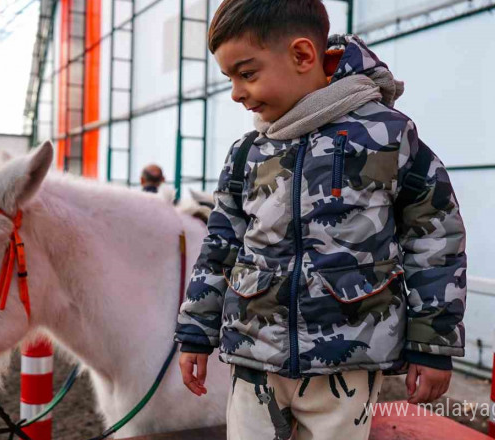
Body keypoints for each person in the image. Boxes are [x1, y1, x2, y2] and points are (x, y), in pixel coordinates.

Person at [173, 1, 467, 439]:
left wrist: (432, 345)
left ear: (303, 56)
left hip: (346, 362)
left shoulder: (387, 136)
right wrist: (196, 331)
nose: (235, 92)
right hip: (255, 356)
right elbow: (220, 245)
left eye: (247, 74)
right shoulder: (247, 153)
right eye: (230, 78)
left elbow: (436, 239)